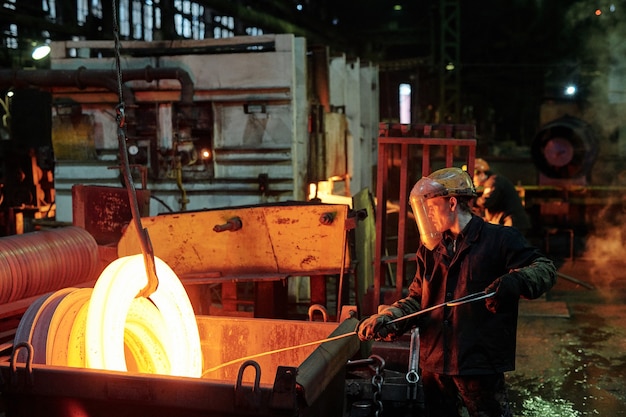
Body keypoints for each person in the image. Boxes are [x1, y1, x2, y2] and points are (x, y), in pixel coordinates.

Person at [357, 167, 557, 417]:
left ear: (452, 202)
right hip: (435, 366)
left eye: (432, 205)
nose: (427, 213)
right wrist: (391, 317)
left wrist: (516, 282)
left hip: (478, 364)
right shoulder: (430, 249)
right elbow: (419, 299)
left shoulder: (499, 239)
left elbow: (545, 269)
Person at [472, 158, 532, 236]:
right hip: (512, 223)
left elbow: (487, 201)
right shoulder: (494, 180)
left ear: (482, 174)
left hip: (512, 223)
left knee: (509, 246)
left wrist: (473, 201)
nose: (473, 180)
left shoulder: (493, 181)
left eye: (474, 176)